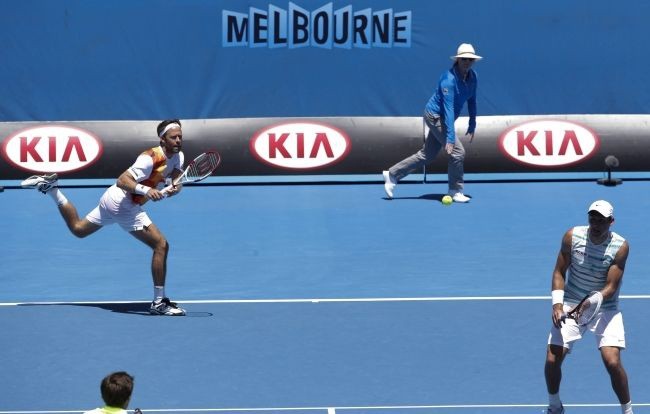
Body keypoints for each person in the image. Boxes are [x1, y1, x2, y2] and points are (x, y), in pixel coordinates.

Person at [22, 119, 187, 316]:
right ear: (162, 140)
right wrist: (147, 190)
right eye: (173, 137)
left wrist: (173, 188)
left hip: (113, 200)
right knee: (161, 245)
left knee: (78, 229)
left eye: (180, 137)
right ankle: (159, 303)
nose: (178, 140)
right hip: (123, 202)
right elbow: (122, 180)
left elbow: (174, 179)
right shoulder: (149, 158)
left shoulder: (179, 156)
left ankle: (52, 189)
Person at [544, 200, 633, 414]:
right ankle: (555, 407)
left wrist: (590, 303)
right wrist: (557, 305)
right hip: (571, 304)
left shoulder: (620, 246)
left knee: (612, 363)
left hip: (605, 308)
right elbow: (559, 272)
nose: (595, 222)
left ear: (611, 222)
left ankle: (628, 411)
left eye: (601, 219)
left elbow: (611, 287)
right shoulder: (572, 236)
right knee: (552, 358)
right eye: (592, 217)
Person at [382, 43, 481, 203]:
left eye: (470, 59)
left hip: (445, 118)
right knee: (458, 152)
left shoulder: (473, 77)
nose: (467, 62)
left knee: (427, 155)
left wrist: (472, 123)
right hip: (434, 116)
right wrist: (449, 138)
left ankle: (392, 174)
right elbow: (448, 109)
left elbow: (472, 101)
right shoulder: (448, 80)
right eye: (464, 59)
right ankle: (455, 190)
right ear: (457, 60)